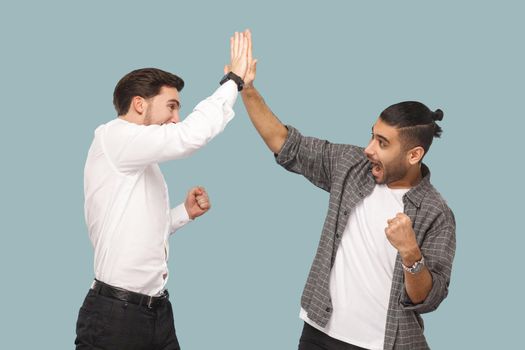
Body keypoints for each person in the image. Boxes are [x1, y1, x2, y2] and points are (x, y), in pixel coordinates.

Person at [240, 32, 456, 350]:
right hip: (319, 332)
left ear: (414, 155)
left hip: (384, 343)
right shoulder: (351, 165)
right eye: (372, 136)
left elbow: (428, 298)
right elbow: (287, 144)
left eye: (382, 143)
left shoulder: (437, 213)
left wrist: (410, 252)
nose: (368, 149)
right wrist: (247, 89)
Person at [75, 30, 250, 350]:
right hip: (116, 316)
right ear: (139, 104)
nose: (175, 118)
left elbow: (139, 233)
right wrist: (232, 81)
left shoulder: (140, 161)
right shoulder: (113, 137)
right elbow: (190, 136)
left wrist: (184, 214)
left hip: (156, 312)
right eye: (171, 106)